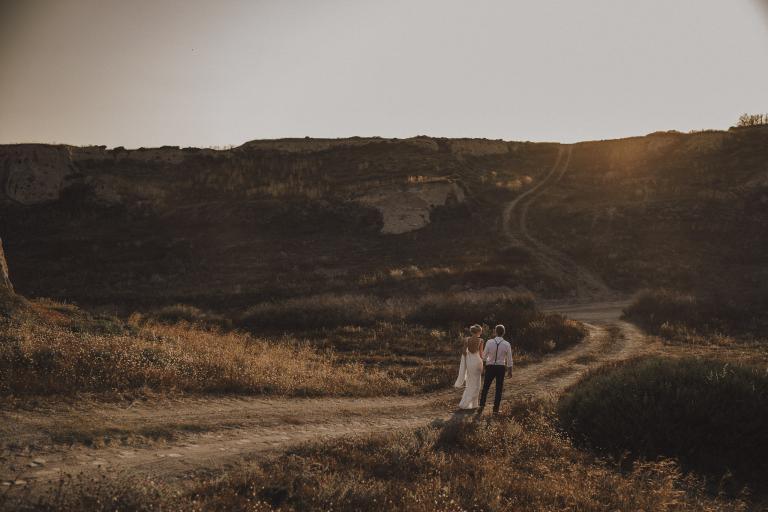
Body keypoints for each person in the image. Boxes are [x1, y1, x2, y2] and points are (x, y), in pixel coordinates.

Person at [478, 324, 513, 414]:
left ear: (495, 332)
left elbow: (484, 356)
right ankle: (495, 409)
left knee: (486, 387)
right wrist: (510, 371)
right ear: (504, 333)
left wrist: (484, 365)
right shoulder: (507, 344)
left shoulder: (489, 342)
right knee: (499, 388)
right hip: (501, 368)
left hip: (490, 367)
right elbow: (509, 359)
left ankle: (481, 405)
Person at [454, 324, 484, 409]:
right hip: (477, 362)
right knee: (477, 384)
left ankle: (469, 404)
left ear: (472, 331)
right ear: (478, 332)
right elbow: (481, 355)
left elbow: (464, 352)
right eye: (481, 330)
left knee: (470, 382)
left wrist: (468, 357)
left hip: (470, 363)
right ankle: (472, 404)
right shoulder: (481, 340)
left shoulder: (467, 339)